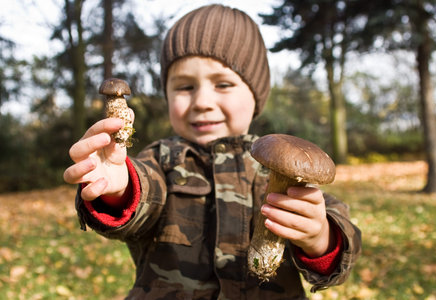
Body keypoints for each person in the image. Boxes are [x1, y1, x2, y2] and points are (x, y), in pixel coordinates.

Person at [63, 4, 361, 299]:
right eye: (184, 87)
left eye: (223, 84)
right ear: (166, 95)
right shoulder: (162, 160)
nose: (202, 101)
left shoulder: (282, 168)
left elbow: (341, 232)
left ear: (256, 97)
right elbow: (145, 195)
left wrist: (320, 237)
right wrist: (119, 188)